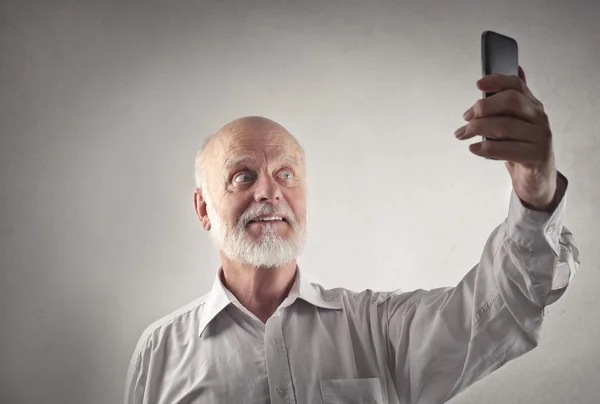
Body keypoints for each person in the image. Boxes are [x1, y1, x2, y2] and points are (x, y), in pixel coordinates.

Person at [124, 67, 580, 404]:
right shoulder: (159, 352)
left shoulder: (379, 330)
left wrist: (534, 189)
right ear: (204, 208)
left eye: (286, 174)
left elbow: (505, 305)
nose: (270, 192)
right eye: (243, 177)